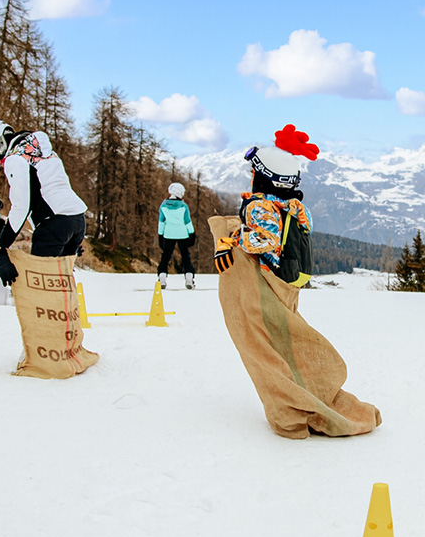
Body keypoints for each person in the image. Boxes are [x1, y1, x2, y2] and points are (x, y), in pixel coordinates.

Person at [208, 123, 380, 440]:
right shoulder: (297, 206)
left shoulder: (261, 205)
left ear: (263, 176)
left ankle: (290, 409)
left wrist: (231, 239)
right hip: (290, 283)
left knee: (265, 344)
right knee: (285, 340)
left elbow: (260, 242)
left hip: (268, 281)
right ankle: (306, 392)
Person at [0, 120, 88, 285]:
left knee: (43, 286)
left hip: (54, 225)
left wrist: (1, 248)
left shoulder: (15, 159)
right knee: (61, 285)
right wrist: (71, 236)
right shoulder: (44, 152)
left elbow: (21, 206)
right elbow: (56, 190)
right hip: (77, 220)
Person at [157, 182, 196, 289]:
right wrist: (192, 234)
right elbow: (187, 221)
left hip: (168, 234)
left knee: (166, 256)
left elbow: (161, 222)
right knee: (185, 256)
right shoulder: (183, 206)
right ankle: (189, 277)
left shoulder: (164, 206)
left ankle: (162, 277)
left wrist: (160, 235)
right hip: (182, 234)